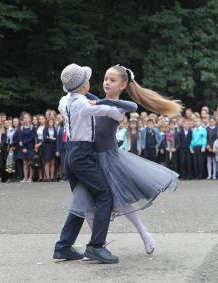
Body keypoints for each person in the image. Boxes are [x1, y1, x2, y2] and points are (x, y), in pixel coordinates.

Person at [69, 64, 180, 255]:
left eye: (112, 80)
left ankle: (144, 233)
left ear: (123, 85)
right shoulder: (96, 100)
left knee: (120, 202)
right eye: (105, 79)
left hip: (110, 159)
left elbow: (132, 106)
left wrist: (102, 103)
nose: (106, 82)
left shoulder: (118, 108)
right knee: (86, 205)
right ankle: (97, 244)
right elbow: (79, 96)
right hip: (90, 159)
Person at [54, 63, 123, 264]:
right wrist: (116, 109)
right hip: (82, 154)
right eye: (87, 81)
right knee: (104, 195)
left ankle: (63, 247)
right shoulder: (82, 104)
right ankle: (96, 246)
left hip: (71, 153)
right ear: (84, 86)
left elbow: (84, 99)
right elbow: (112, 112)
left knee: (82, 200)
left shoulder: (64, 100)